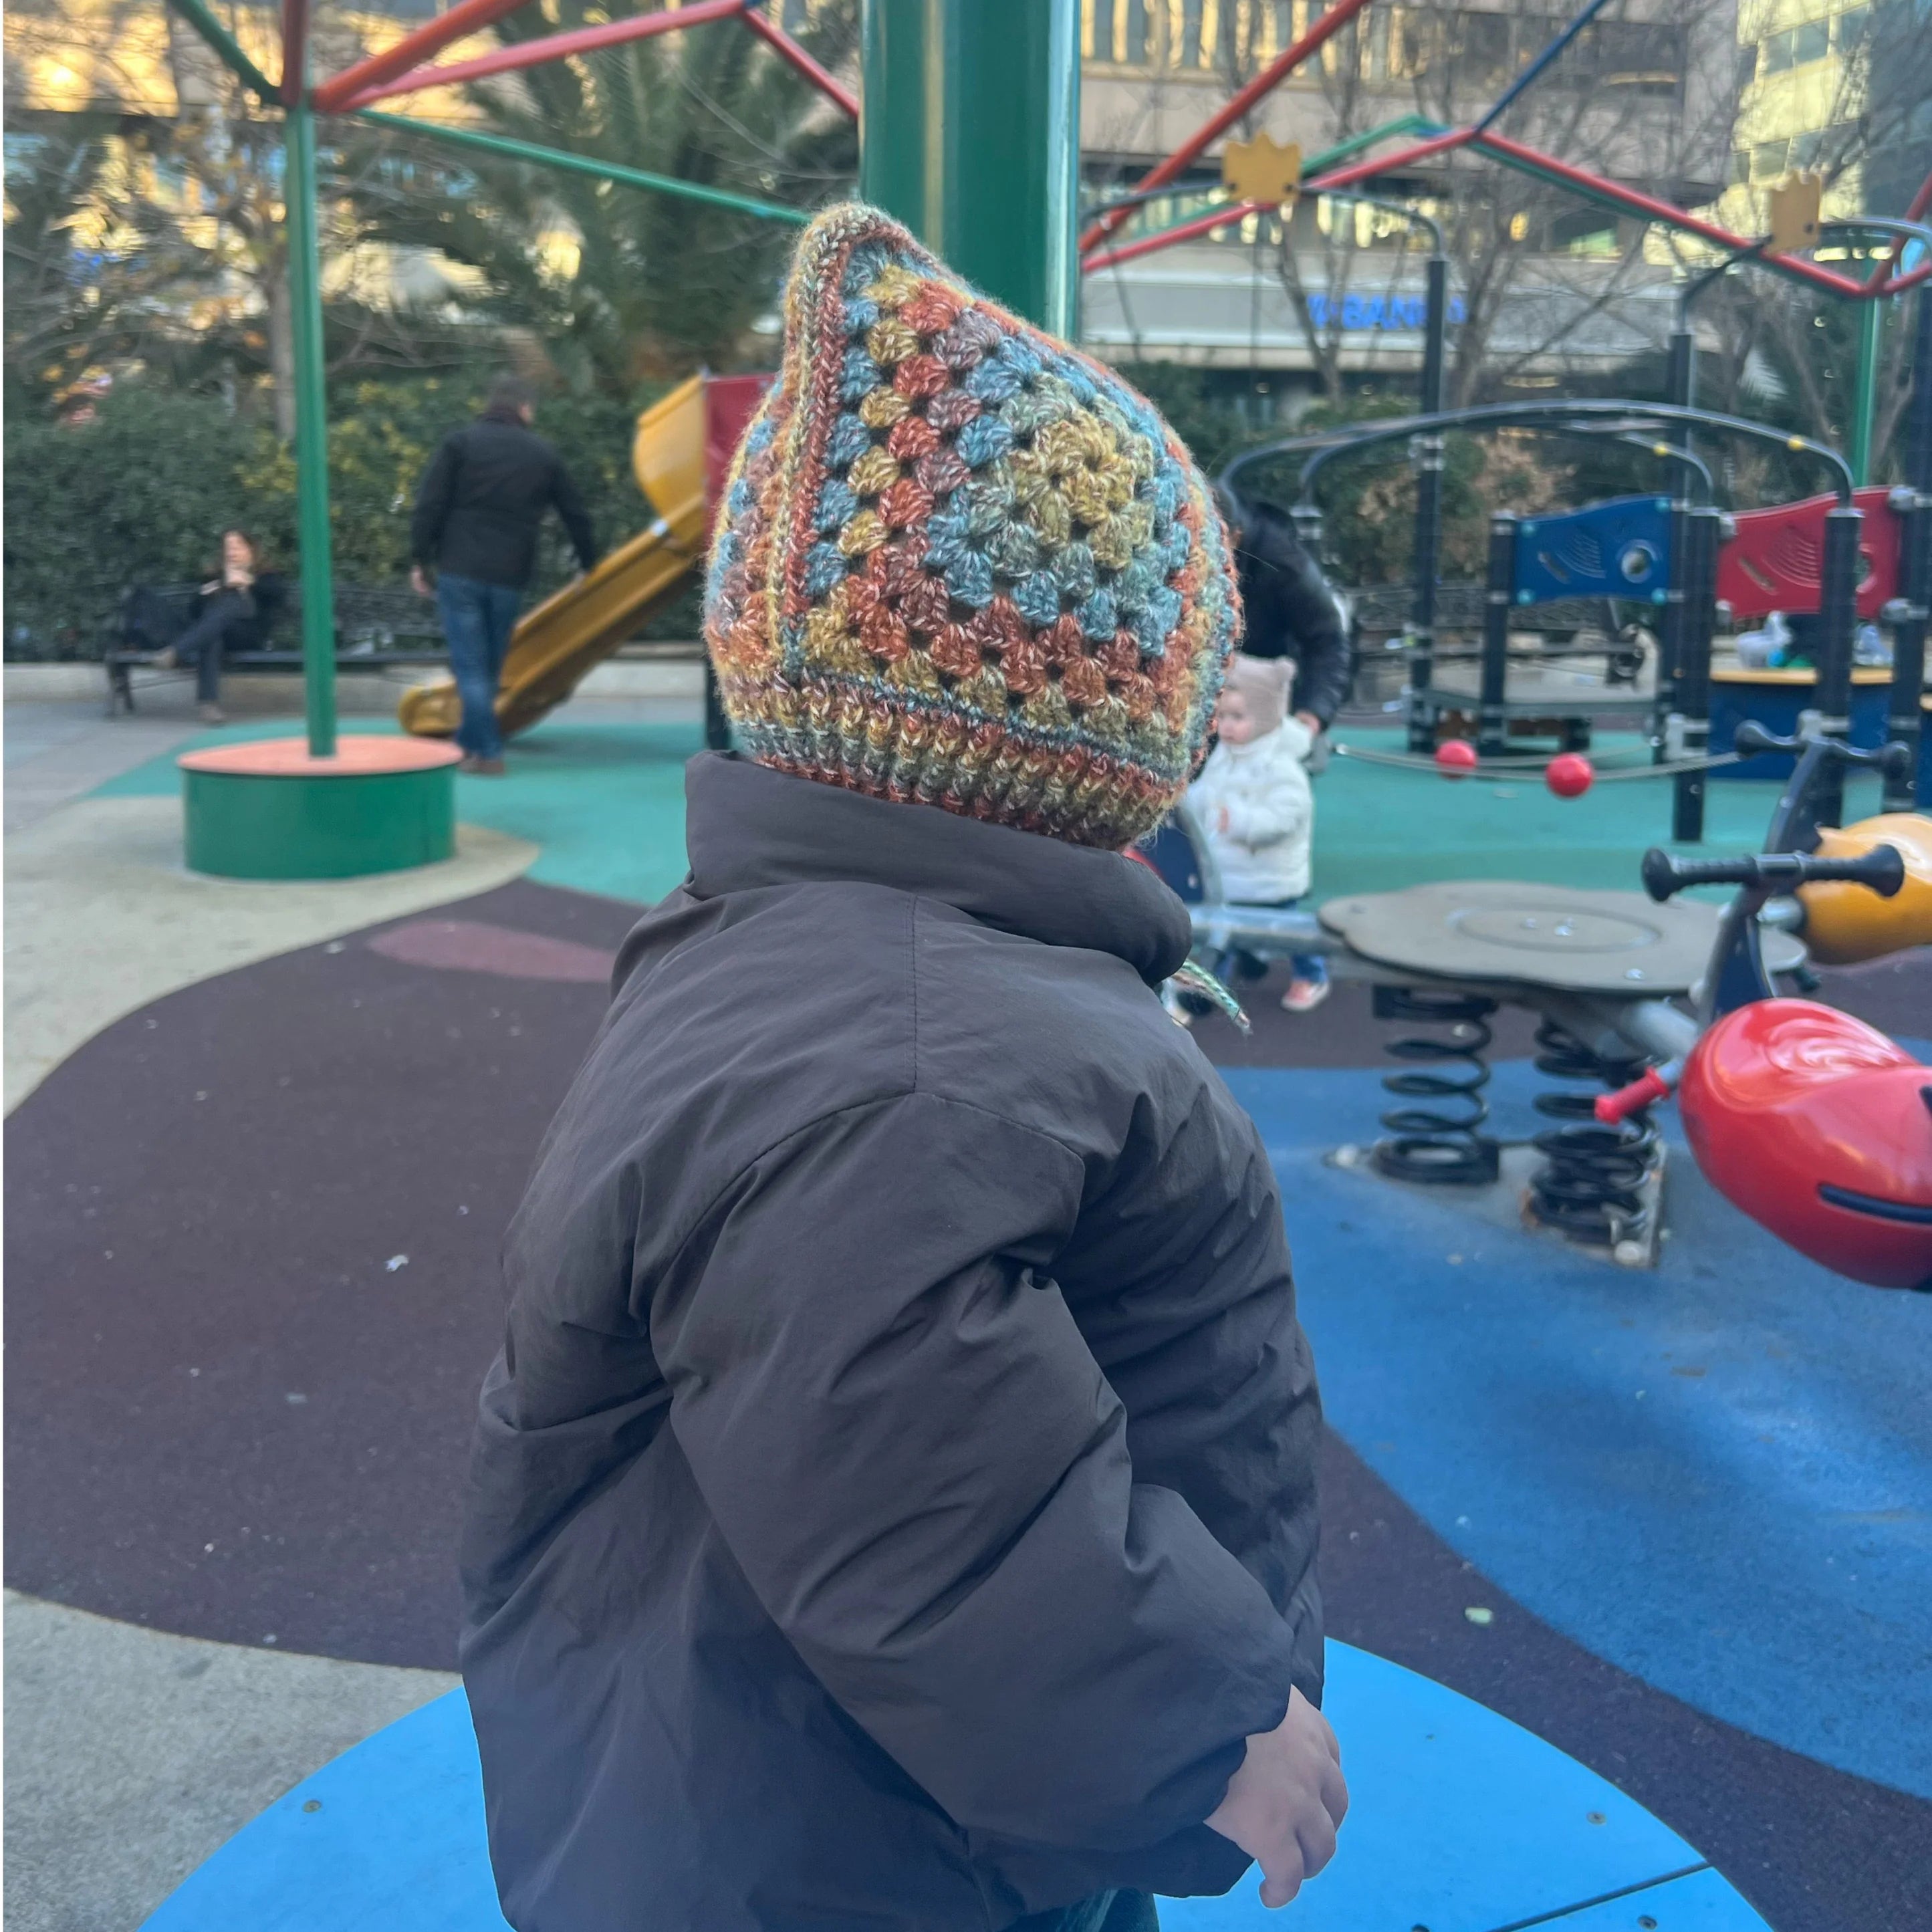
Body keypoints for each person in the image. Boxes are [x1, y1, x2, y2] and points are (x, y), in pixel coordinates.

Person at [459, 203, 1344, 1932]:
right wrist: (1189, 1723)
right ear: (1116, 705)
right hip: (852, 1839)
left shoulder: (864, 962)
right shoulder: (916, 1053)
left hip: (888, 1781)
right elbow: (917, 1466)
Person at [409, 374, 598, 774]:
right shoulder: (542, 454)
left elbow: (430, 504)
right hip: (510, 574)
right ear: (525, 409)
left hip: (460, 568)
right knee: (490, 668)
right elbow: (575, 513)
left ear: (489, 404)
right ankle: (470, 746)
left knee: (470, 666)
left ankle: (489, 752)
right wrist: (588, 562)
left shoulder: (460, 444)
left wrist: (420, 559)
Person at [1187, 654, 1330, 1014]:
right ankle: (1214, 987)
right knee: (1225, 927)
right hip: (1232, 871)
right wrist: (1185, 805)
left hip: (1270, 875)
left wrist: (1239, 821)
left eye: (1238, 718)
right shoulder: (1227, 755)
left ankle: (1312, 975)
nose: (1227, 727)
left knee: (1290, 933)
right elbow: (1206, 793)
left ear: (1265, 717)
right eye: (1223, 717)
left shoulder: (1281, 764)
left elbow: (1287, 815)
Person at [1213, 483, 1351, 736]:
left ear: (1235, 538)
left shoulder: (1284, 563)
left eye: (1212, 551)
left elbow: (1326, 640)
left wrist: (1312, 711)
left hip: (1269, 685)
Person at [162, 528, 287, 724]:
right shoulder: (215, 577)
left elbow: (278, 595)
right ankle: (209, 706)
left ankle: (178, 651)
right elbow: (194, 612)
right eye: (229, 547)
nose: (232, 552)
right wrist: (209, 593)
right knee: (213, 637)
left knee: (229, 606)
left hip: (250, 635)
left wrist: (248, 582)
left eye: (238, 546)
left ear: (251, 550)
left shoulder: (265, 575)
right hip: (219, 634)